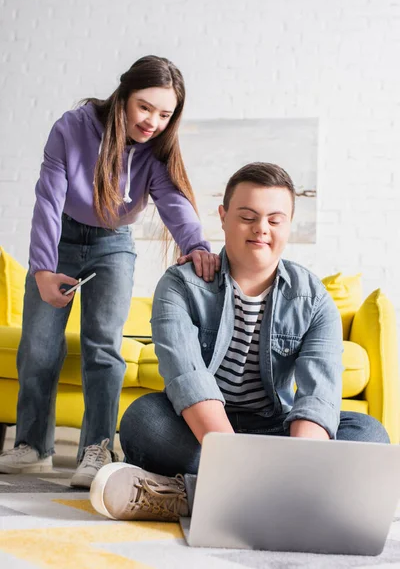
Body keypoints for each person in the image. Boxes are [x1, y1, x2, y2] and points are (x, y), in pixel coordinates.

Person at [89, 161, 390, 522]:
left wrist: (300, 461)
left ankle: (188, 497)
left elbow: (317, 396)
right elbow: (189, 382)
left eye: (275, 220)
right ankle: (293, 499)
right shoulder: (180, 285)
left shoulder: (313, 297)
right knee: (144, 420)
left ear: (288, 224)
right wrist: (235, 457)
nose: (261, 229)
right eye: (248, 216)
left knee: (368, 434)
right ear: (224, 216)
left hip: (276, 431)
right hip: (202, 429)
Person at [0, 55, 220, 488]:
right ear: (123, 95)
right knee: (38, 347)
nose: (153, 121)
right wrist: (43, 269)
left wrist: (197, 245)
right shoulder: (72, 127)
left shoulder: (156, 149)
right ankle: (33, 447)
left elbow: (172, 200)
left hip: (113, 244)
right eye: (145, 107)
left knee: (103, 347)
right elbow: (48, 198)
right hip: (60, 240)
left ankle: (96, 450)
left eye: (164, 113)